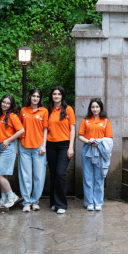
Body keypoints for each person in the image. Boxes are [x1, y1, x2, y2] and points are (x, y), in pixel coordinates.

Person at [45, 86, 76, 214]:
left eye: (59, 94)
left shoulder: (68, 109)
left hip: (64, 145)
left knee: (60, 174)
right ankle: (53, 202)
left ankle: (61, 204)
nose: (56, 96)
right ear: (51, 96)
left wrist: (71, 147)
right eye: (54, 94)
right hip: (50, 145)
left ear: (62, 96)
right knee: (53, 174)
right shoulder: (48, 110)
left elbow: (72, 129)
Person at [0, 95, 25, 210]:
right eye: (3, 102)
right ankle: (3, 198)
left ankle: (12, 196)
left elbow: (21, 130)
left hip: (8, 147)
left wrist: (8, 140)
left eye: (8, 103)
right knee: (2, 175)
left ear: (11, 105)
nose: (5, 104)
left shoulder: (12, 116)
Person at [79, 98, 113, 210]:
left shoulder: (106, 121)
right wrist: (88, 141)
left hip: (100, 150)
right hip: (87, 149)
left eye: (97, 107)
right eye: (93, 107)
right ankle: (89, 202)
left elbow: (109, 138)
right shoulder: (85, 120)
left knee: (99, 177)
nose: (95, 109)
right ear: (90, 108)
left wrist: (99, 142)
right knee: (87, 177)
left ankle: (98, 202)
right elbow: (80, 136)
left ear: (101, 108)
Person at [18, 89, 49, 212]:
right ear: (30, 97)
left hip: (39, 147)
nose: (35, 98)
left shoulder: (44, 111)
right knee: (25, 175)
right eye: (33, 96)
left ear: (40, 98)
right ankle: (26, 202)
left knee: (39, 176)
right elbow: (19, 127)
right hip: (24, 146)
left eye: (38, 96)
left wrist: (44, 146)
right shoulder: (23, 110)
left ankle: (35, 201)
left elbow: (45, 129)